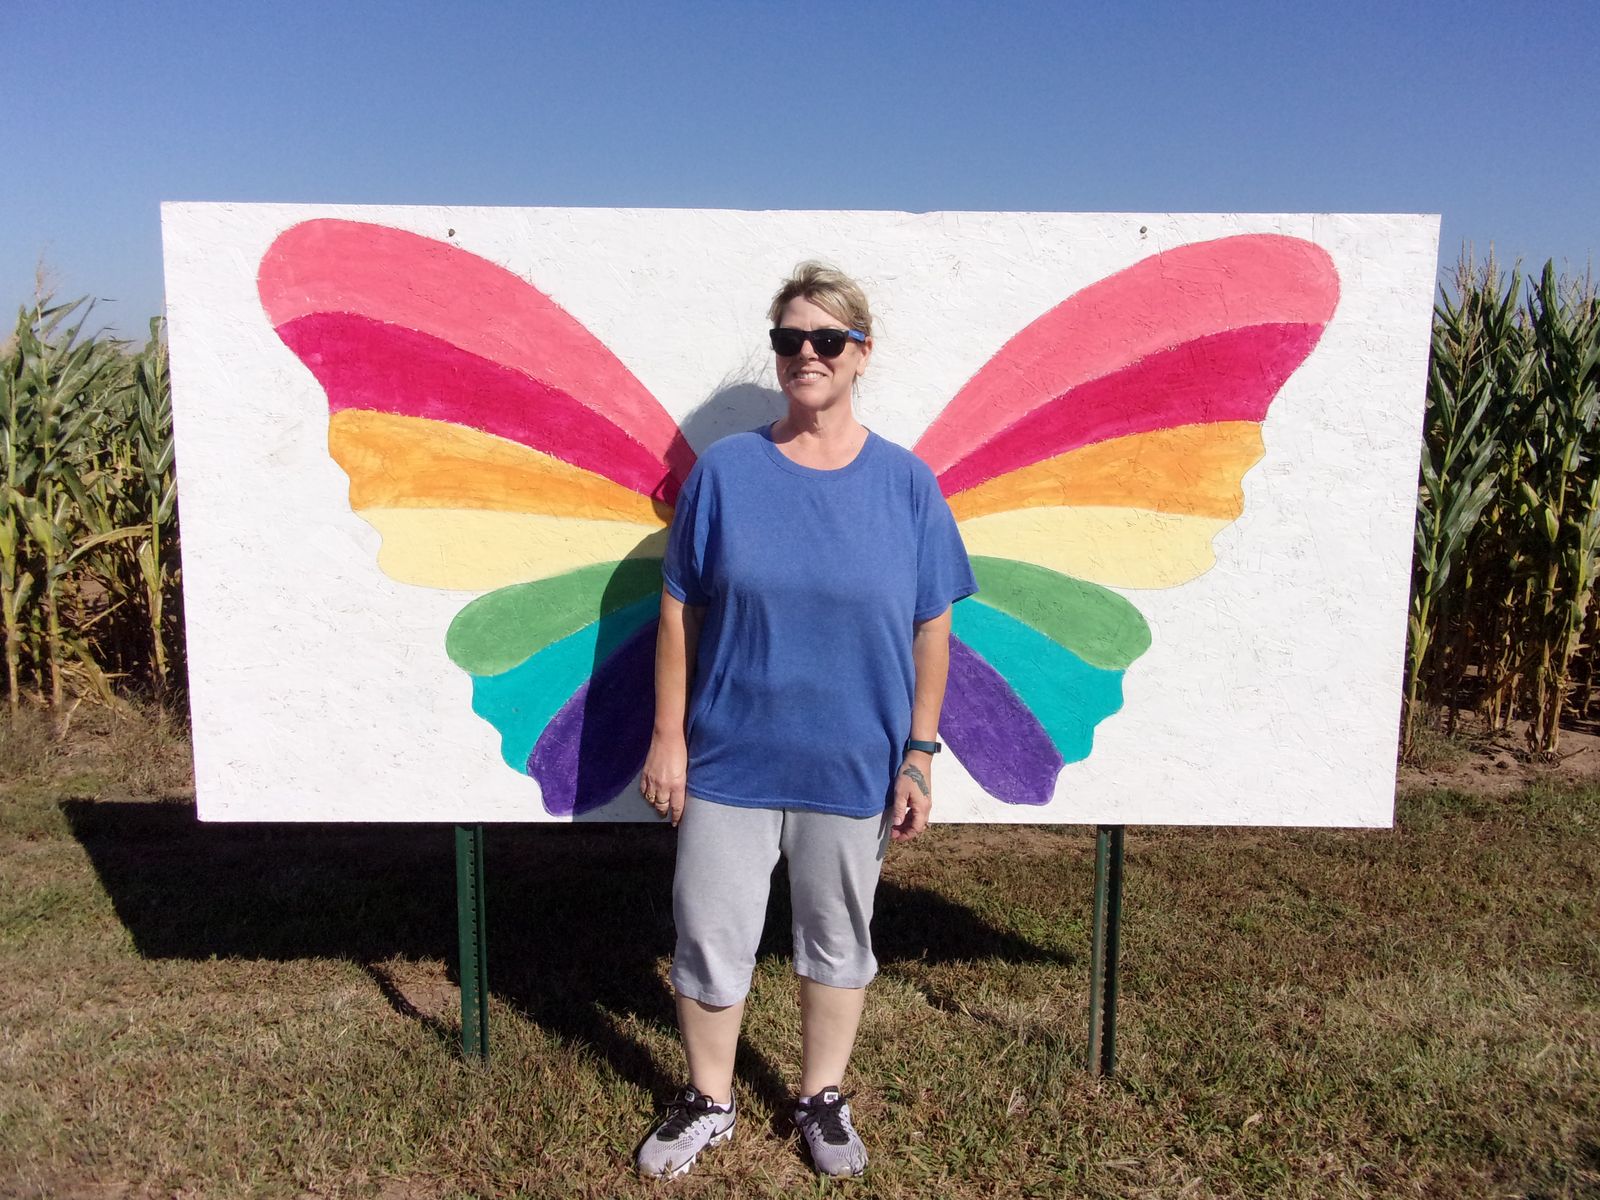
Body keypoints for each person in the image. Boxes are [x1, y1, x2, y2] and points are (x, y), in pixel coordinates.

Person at [633, 261, 977, 1179]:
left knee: (837, 937)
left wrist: (920, 753)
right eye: (790, 339)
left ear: (862, 353)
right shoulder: (726, 473)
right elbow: (678, 609)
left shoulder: (907, 484)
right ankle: (709, 1100)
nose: (806, 354)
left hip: (854, 761)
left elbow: (932, 626)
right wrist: (668, 736)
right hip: (729, 758)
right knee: (709, 932)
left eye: (827, 339)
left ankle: (821, 1097)